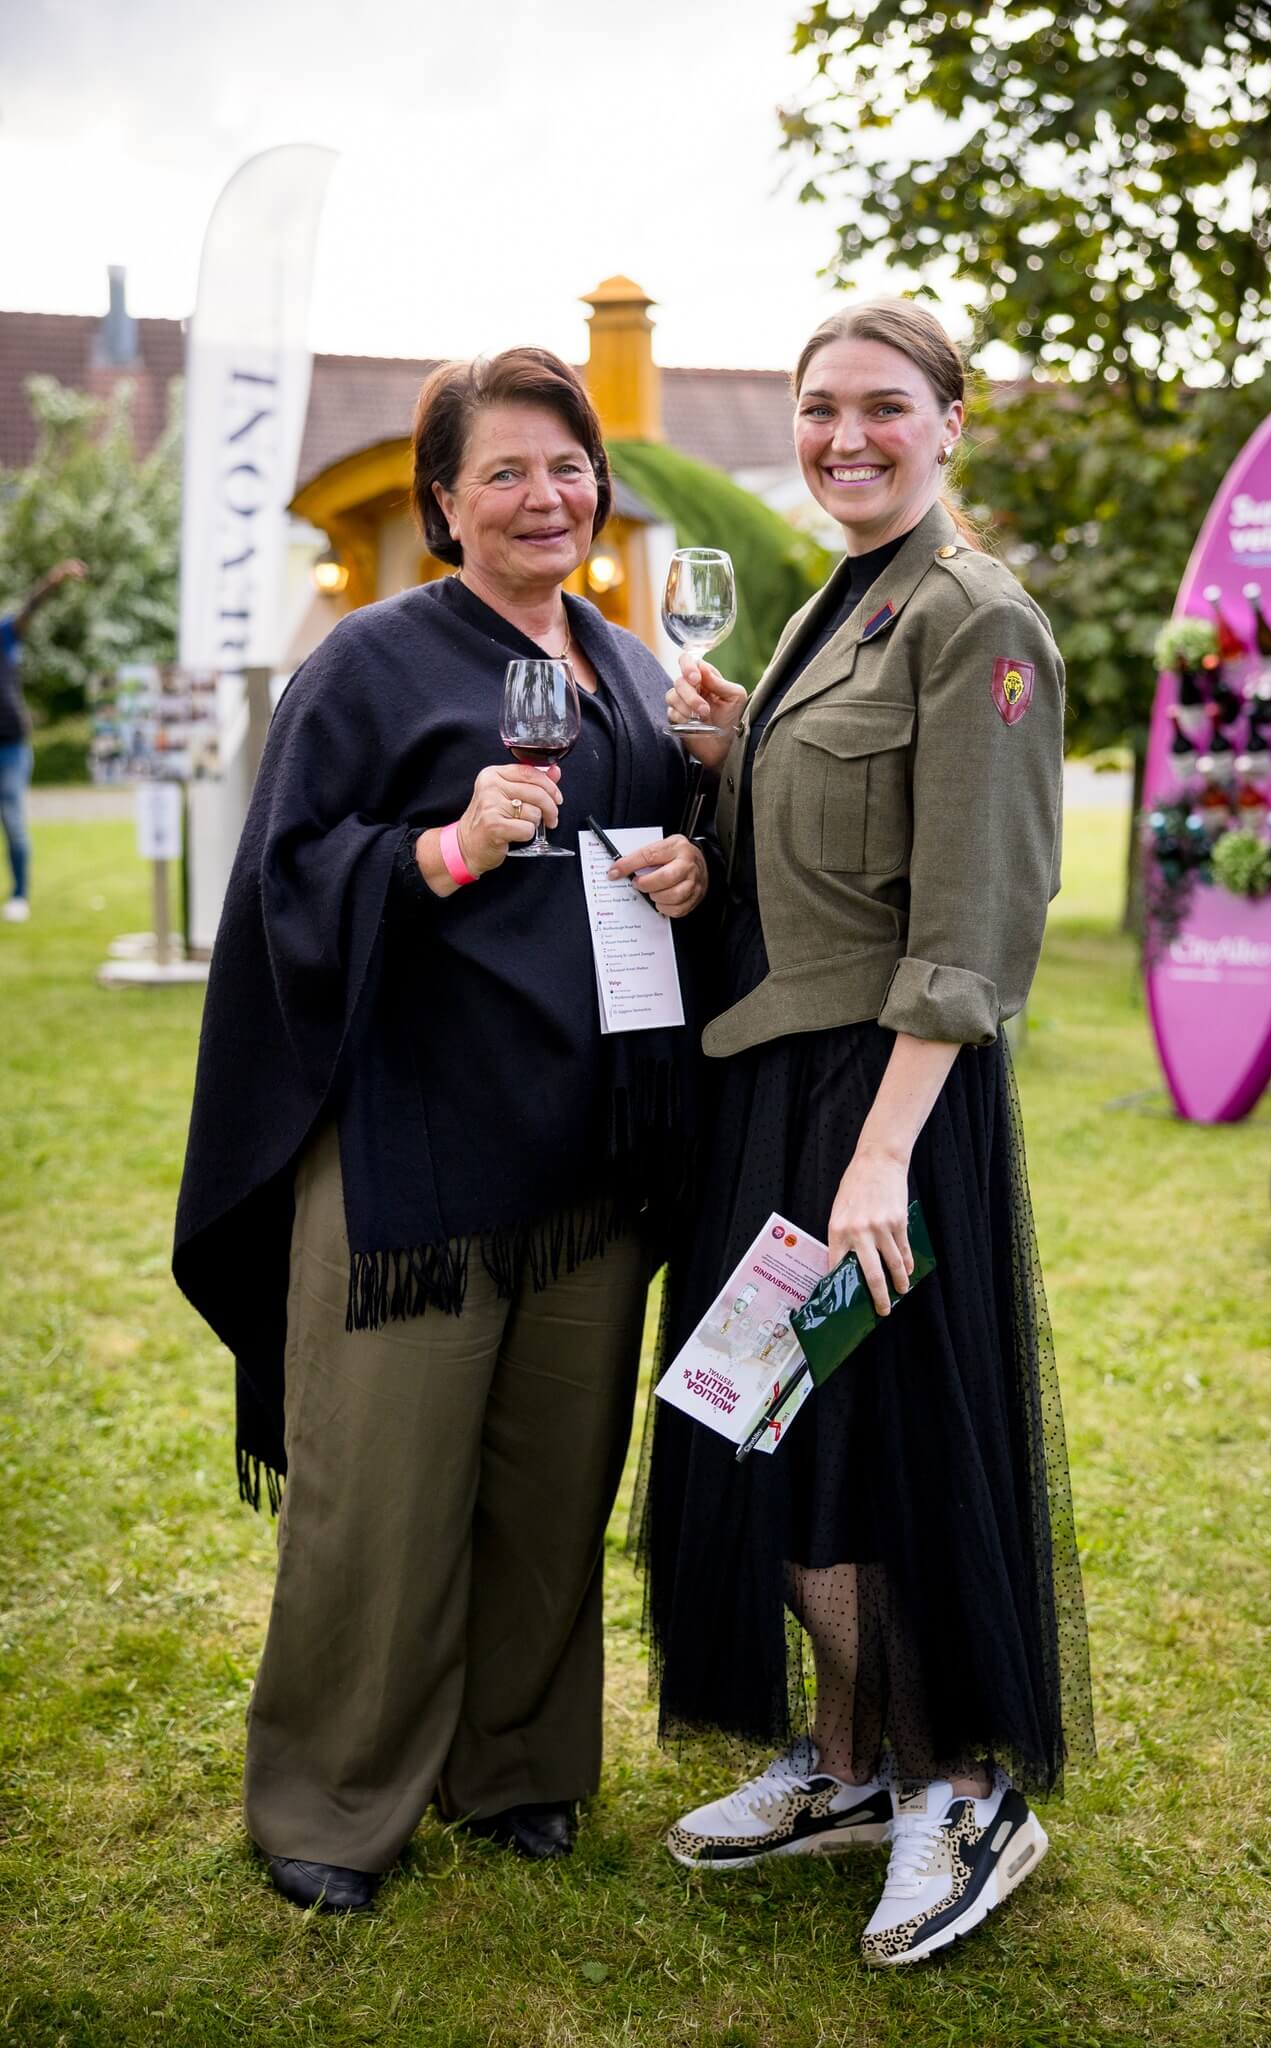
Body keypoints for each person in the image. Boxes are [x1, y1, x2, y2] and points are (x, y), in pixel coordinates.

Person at [174, 348, 709, 1915]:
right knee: (380, 1502)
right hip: (412, 1156)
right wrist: (441, 848)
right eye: (505, 473)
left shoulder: (627, 666)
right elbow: (282, 883)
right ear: (441, 502)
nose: (546, 498)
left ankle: (517, 1766)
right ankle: (332, 1801)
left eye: (569, 467)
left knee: (553, 1489)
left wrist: (691, 865)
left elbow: (660, 851)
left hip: (588, 1162)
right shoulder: (368, 664)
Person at [640, 302, 1093, 1968]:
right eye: (820, 407)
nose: (845, 437)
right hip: (776, 1085)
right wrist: (732, 758)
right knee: (763, 1430)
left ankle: (958, 1788)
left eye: (883, 407)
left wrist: (882, 1156)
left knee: (873, 1450)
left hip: (880, 1106)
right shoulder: (847, 595)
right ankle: (843, 1762)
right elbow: (837, 831)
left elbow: (972, 921)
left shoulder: (980, 617)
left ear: (949, 421)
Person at [0, 559, 87, 922]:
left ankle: (19, 895)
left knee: (12, 820)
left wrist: (54, 579)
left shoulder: (4, 635)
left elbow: (29, 608)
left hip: (10, 746)